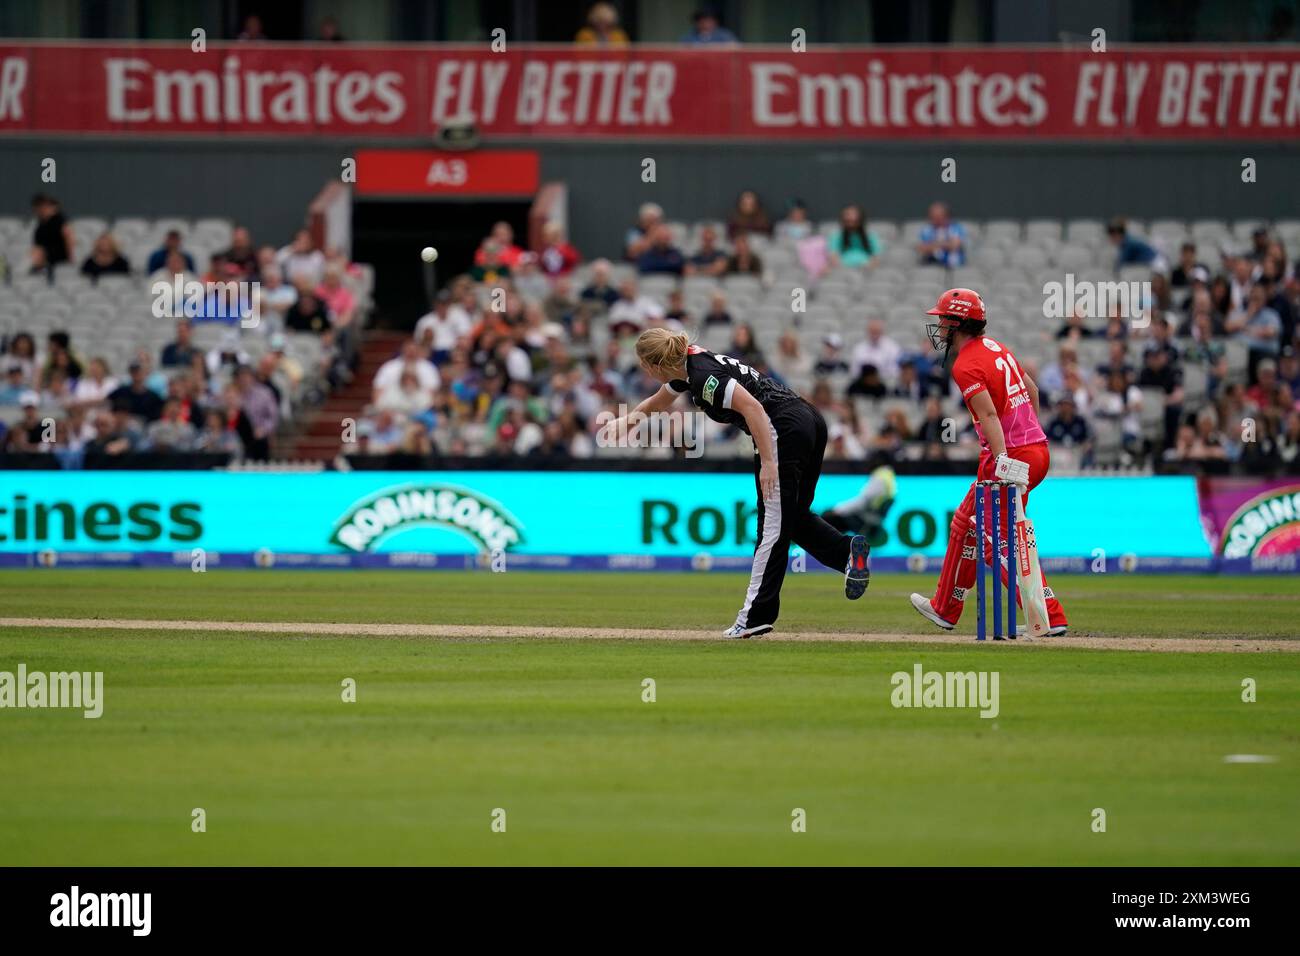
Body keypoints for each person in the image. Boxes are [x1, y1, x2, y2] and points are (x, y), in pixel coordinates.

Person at [606, 328, 870, 638]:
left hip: (781, 428)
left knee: (771, 527)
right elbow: (657, 402)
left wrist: (769, 463)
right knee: (791, 518)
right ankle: (847, 554)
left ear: (653, 365)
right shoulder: (689, 366)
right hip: (807, 420)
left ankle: (755, 616)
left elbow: (753, 408)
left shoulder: (704, 377)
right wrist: (626, 422)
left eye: (643, 364)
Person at [908, 288, 1069, 637]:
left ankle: (1049, 616)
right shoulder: (996, 347)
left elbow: (989, 415)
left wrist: (1003, 460)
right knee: (966, 524)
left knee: (997, 544)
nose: (939, 328)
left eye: (943, 321)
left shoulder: (966, 364)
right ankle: (946, 607)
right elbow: (1034, 392)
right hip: (1035, 450)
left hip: (1008, 457)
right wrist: (1030, 439)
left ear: (958, 323)